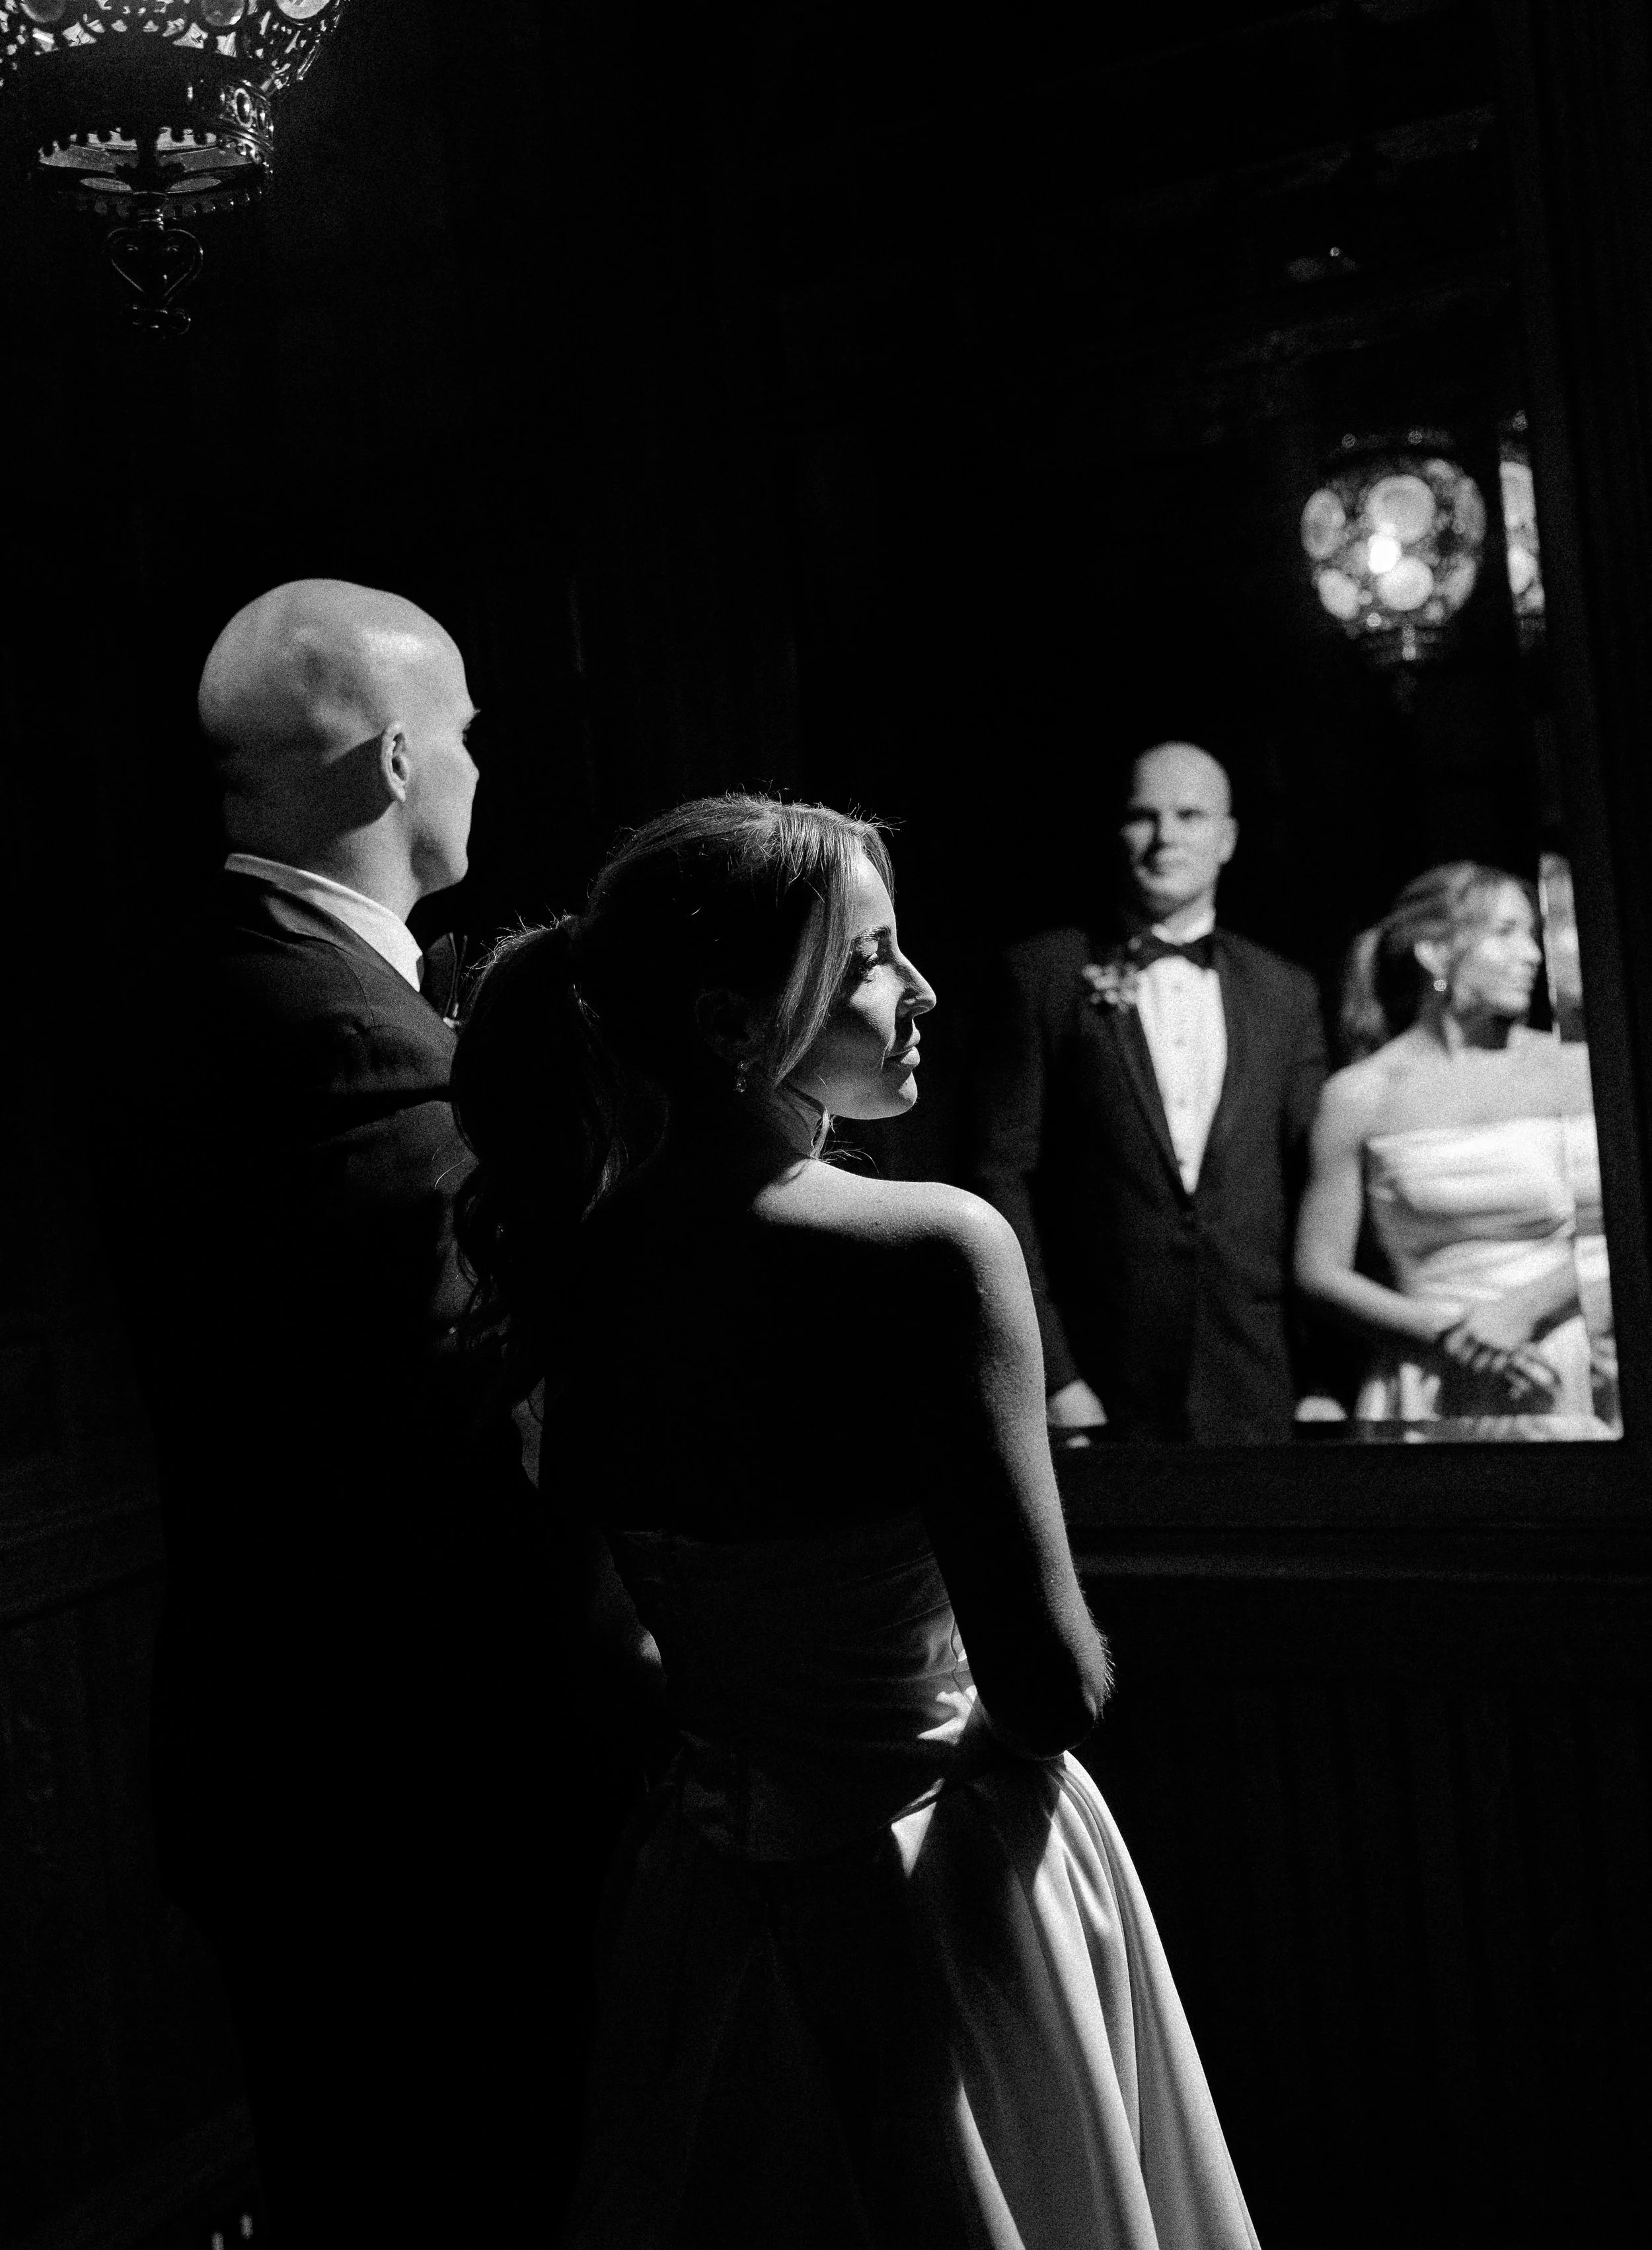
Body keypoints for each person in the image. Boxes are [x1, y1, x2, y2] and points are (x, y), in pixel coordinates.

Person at [451, 792, 1261, 2249]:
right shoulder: (929, 1251)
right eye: (873, 956)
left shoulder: (585, 1257)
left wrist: (755, 1761)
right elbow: (1047, 1689)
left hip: (707, 1897)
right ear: (731, 1021)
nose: (923, 989)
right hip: (941, 1884)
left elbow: (602, 1650)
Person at [145, 579, 631, 2243]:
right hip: (401, 1779)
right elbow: (453, 1415)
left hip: (287, 1746)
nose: (482, 765)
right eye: (468, 734)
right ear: (402, 761)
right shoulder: (342, 1033)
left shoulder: (211, 980)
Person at [961, 743, 1328, 1446]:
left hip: (1258, 1378)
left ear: (1227, 839)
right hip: (1098, 1379)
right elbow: (998, 1181)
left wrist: (1322, 1376)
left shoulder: (1286, 992)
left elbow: (1316, 1183)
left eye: (1190, 816)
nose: (1165, 837)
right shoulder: (1042, 975)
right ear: (1116, 832)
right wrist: (1054, 1376)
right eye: (1143, 816)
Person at [1294, 860, 1618, 1442]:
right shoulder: (1360, 1095)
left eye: (1533, 935)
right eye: (1505, 932)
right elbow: (1320, 1271)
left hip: (1575, 1362)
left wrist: (1526, 1307)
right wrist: (1451, 1335)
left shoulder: (1576, 1070)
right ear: (1436, 953)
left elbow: (1627, 1229)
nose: (1532, 955)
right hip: (1434, 1377)